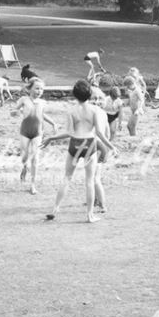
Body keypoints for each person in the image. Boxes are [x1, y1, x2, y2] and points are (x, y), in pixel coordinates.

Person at [41, 79, 117, 222]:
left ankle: (55, 209)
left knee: (67, 178)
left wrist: (52, 138)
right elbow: (100, 133)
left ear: (75, 95)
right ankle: (89, 215)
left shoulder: (71, 110)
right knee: (89, 181)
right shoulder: (95, 110)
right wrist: (112, 146)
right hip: (89, 144)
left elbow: (68, 132)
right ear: (89, 95)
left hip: (75, 143)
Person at [14, 78, 56, 194]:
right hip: (25, 132)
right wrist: (15, 112)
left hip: (38, 133)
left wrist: (53, 123)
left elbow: (42, 115)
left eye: (41, 89)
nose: (39, 91)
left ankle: (33, 185)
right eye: (37, 88)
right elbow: (14, 110)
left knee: (35, 158)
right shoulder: (24, 99)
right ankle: (24, 167)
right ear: (30, 88)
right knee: (25, 157)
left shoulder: (43, 102)